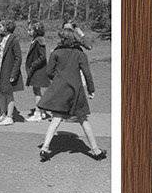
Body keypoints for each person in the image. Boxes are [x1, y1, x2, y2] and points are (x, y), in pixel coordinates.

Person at [37, 24, 106, 162]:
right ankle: (96, 151)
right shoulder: (80, 54)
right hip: (76, 90)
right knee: (83, 119)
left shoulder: (55, 52)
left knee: (56, 119)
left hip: (60, 90)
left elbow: (49, 72)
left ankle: (45, 148)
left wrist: (58, 79)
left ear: (62, 39)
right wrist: (91, 90)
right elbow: (87, 74)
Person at [24, 22, 49, 120]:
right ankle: (42, 111)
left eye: (30, 30)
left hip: (38, 70)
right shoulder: (35, 40)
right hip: (35, 69)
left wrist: (33, 65)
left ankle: (38, 112)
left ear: (36, 30)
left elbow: (42, 56)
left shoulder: (39, 41)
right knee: (36, 90)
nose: (28, 32)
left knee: (37, 90)